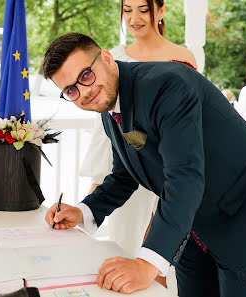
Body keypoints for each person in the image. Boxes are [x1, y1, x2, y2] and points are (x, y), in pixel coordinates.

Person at [43, 32, 246, 297]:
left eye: (86, 76)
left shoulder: (168, 85)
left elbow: (184, 177)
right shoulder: (109, 107)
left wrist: (146, 264)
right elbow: (126, 172)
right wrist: (85, 210)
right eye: (71, 90)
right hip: (192, 226)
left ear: (106, 58)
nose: (83, 92)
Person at [79, 0, 196, 290]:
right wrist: (95, 188)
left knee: (163, 256)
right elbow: (103, 129)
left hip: (171, 170)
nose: (134, 18)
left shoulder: (183, 57)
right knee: (124, 244)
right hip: (126, 171)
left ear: (161, 10)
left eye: (143, 9)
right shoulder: (113, 57)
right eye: (127, 10)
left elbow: (191, 123)